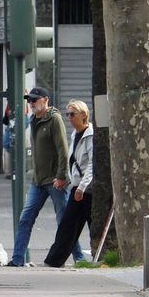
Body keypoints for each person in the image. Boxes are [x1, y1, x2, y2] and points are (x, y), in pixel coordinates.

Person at [6, 86, 81, 266]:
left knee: (64, 222)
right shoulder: (33, 120)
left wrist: (61, 176)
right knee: (26, 218)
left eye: (34, 100)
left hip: (55, 180)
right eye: (29, 100)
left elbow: (62, 149)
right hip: (38, 181)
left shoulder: (54, 119)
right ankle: (17, 260)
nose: (31, 103)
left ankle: (79, 258)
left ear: (45, 100)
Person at [43, 100, 94, 268]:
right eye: (68, 114)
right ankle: (54, 260)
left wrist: (81, 187)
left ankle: (101, 254)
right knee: (68, 225)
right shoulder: (74, 134)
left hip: (87, 190)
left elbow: (92, 164)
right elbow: (73, 161)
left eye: (72, 114)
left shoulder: (90, 135)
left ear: (83, 115)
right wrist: (67, 180)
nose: (69, 118)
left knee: (85, 224)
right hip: (77, 188)